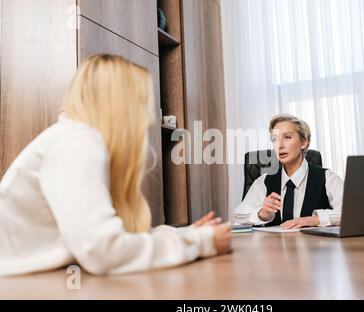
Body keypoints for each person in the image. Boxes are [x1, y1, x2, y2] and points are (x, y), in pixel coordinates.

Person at [0, 54, 231, 277]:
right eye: (142, 106)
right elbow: (103, 251)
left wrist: (188, 235)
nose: (148, 118)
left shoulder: (74, 140)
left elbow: (114, 238)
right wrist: (201, 242)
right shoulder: (76, 143)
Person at [234, 114, 343, 229]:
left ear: (304, 142)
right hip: (275, 246)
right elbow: (239, 216)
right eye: (275, 139)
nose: (280, 145)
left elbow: (353, 211)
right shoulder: (264, 182)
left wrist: (314, 219)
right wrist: (262, 214)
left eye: (287, 137)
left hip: (314, 246)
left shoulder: (327, 178)